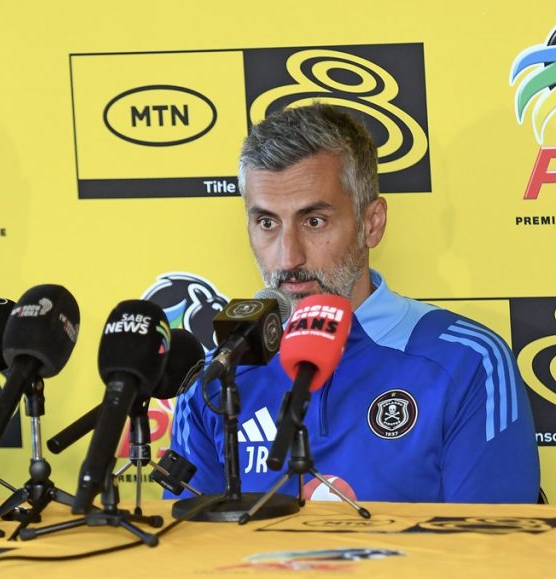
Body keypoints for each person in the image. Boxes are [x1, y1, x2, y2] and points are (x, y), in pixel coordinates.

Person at [168, 103, 540, 503]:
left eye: (314, 221)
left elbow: (495, 554)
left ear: (371, 222)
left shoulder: (467, 361)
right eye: (267, 223)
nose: (287, 258)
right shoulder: (218, 377)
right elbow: (187, 555)